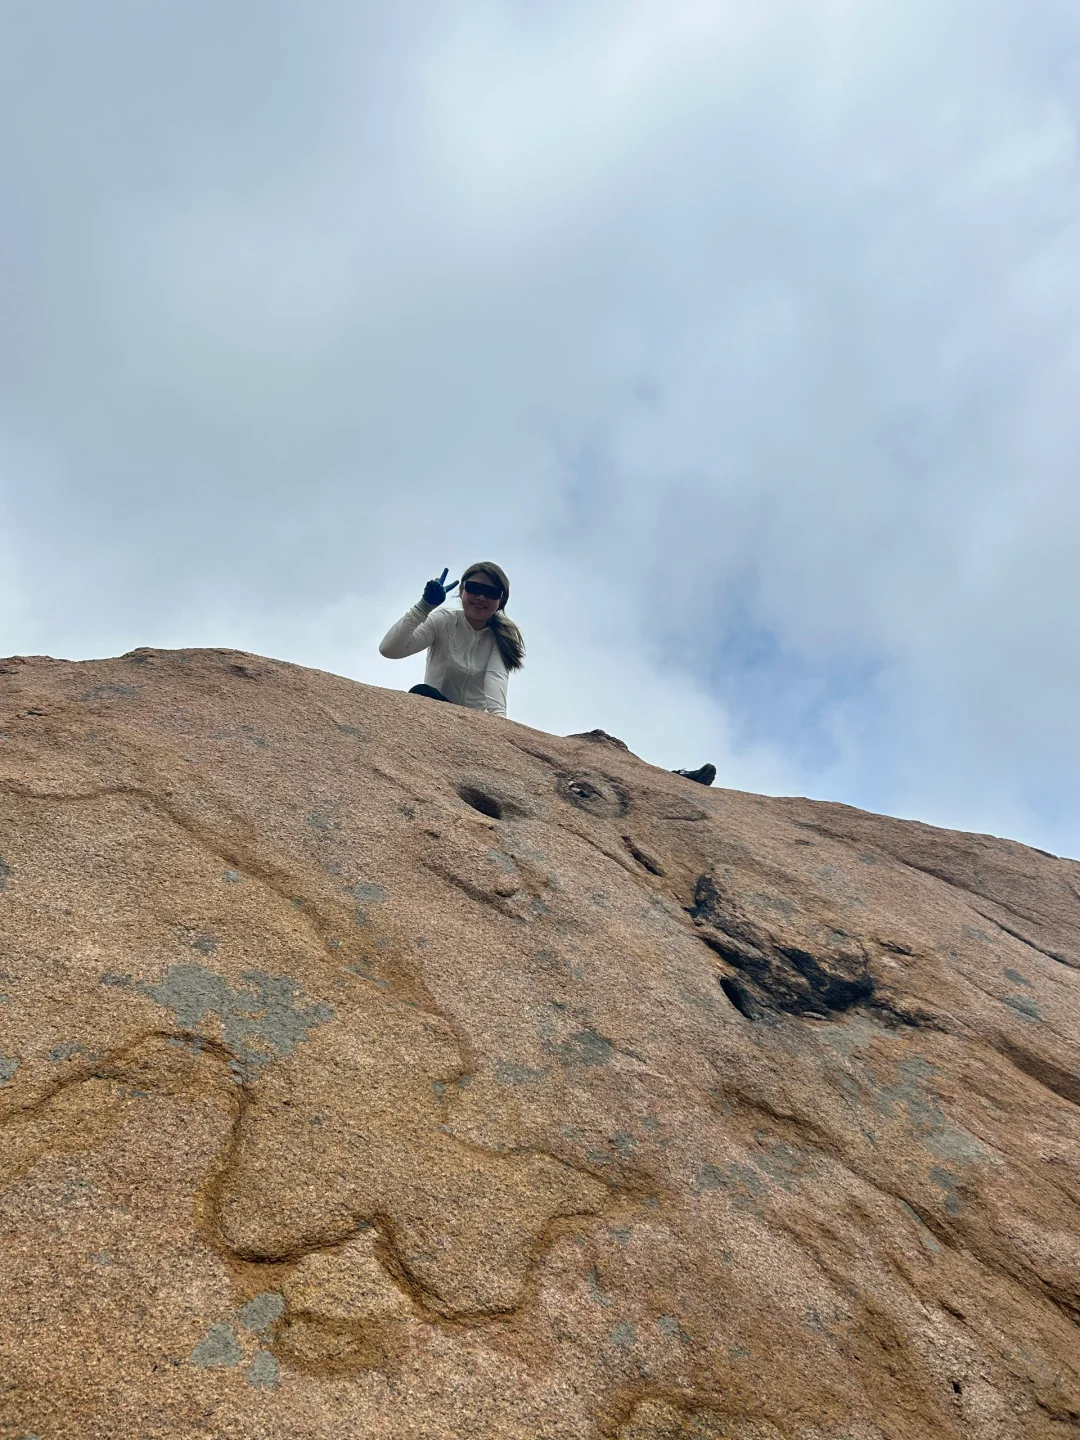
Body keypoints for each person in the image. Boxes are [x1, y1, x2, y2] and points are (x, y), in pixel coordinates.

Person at [379, 562, 525, 718]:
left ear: (501, 601)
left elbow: (496, 679)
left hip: (473, 721)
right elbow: (389, 650)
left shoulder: (502, 637)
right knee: (421, 691)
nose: (481, 597)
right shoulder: (444, 620)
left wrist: (499, 725)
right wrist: (423, 607)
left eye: (491, 592)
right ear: (461, 591)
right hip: (434, 709)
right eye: (474, 588)